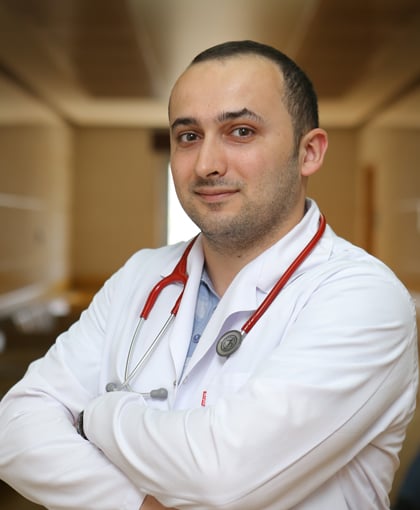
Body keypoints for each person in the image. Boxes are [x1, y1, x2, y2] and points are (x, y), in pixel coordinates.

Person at [0, 40, 417, 510]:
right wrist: (137, 506)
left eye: (241, 131)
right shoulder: (141, 275)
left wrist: (96, 416)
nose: (206, 165)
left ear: (309, 153)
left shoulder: (365, 297)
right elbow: (15, 426)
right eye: (188, 136)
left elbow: (222, 476)